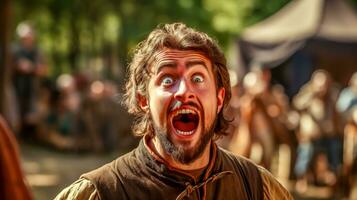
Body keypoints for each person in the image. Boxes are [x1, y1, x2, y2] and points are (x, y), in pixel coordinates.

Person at [55, 23, 292, 200]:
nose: (184, 91)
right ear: (143, 100)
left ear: (219, 99)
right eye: (168, 80)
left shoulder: (256, 187)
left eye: (197, 78)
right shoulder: (100, 192)